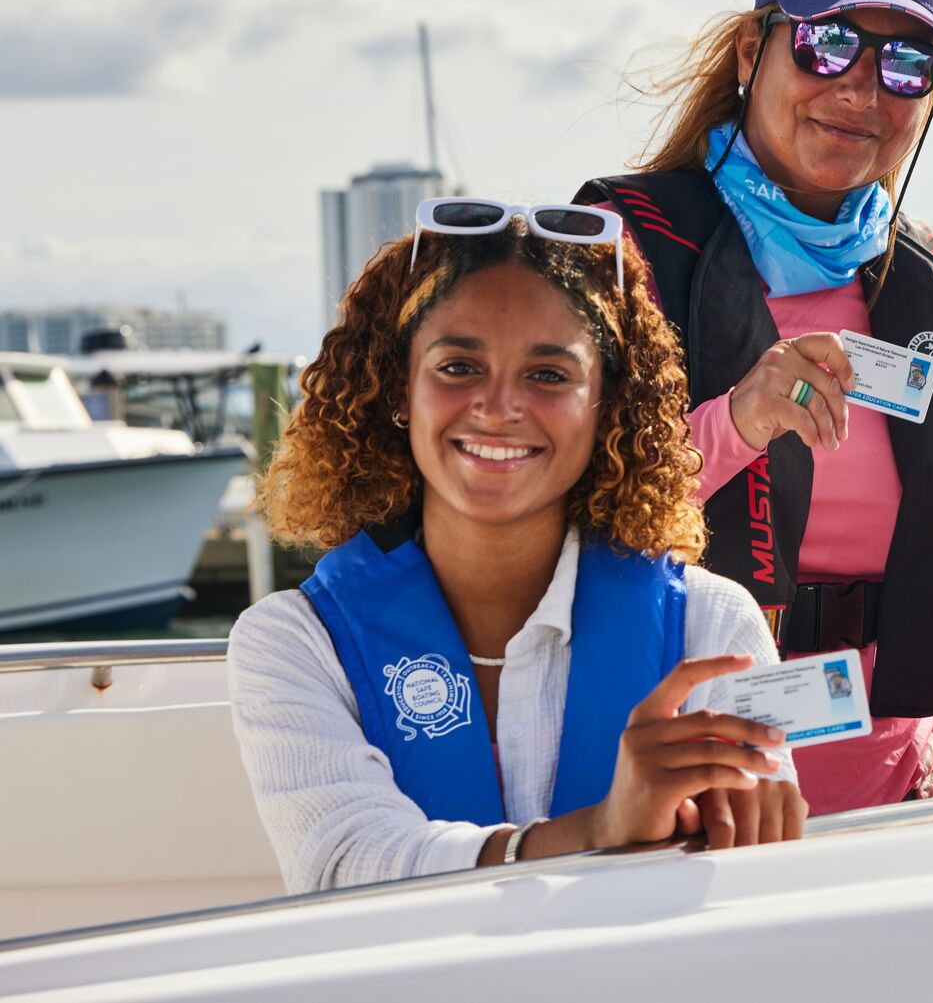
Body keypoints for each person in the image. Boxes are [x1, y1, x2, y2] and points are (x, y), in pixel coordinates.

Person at [576, 0, 933, 811]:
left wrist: (930, 733)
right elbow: (552, 510)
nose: (861, 90)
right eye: (829, 43)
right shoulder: (618, 254)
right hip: (671, 793)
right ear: (755, 50)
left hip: (889, 794)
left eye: (910, 64)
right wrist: (738, 422)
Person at [230, 200, 805, 894]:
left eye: (549, 375)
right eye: (458, 366)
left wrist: (750, 821)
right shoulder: (293, 640)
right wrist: (597, 835)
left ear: (607, 405)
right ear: (398, 389)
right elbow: (341, 862)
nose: (499, 405)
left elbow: (758, 876)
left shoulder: (715, 627)